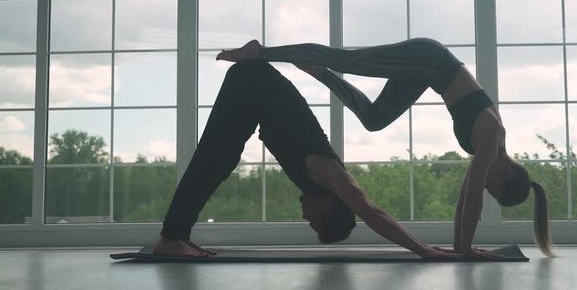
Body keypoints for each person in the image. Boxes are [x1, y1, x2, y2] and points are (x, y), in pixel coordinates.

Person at [217, 38, 555, 257]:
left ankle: (320, 71)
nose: (485, 183)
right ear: (509, 170)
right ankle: (259, 53)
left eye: (489, 188)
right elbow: (472, 200)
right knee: (351, 61)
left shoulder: (489, 152)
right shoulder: (491, 135)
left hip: (426, 73)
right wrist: (465, 250)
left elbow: (466, 196)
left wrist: (459, 249)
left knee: (375, 119)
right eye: (493, 185)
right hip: (430, 59)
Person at [153, 59, 464, 260]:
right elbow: (373, 214)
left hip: (253, 90)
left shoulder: (317, 182)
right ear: (328, 207)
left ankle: (179, 235)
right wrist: (423, 249)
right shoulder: (330, 175)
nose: (305, 217)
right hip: (252, 83)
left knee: (218, 162)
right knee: (212, 161)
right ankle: (171, 238)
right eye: (313, 221)